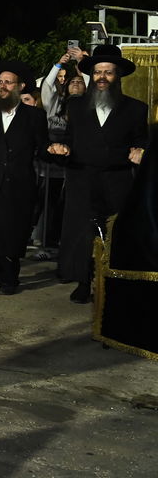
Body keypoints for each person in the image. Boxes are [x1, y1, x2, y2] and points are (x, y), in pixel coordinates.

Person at [47, 44, 148, 303]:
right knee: (80, 234)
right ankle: (83, 281)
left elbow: (141, 139)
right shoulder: (77, 106)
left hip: (117, 180)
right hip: (82, 179)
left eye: (109, 72)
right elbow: (70, 138)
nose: (102, 77)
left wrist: (140, 150)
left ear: (118, 76)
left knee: (115, 234)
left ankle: (114, 284)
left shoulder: (135, 108)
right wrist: (64, 148)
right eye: (98, 72)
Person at [0, 60, 49, 296]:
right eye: (0, 82)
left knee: (11, 230)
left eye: (8, 82)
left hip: (18, 182)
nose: (2, 86)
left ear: (20, 86)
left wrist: (56, 150)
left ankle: (10, 277)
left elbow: (42, 147)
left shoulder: (34, 116)